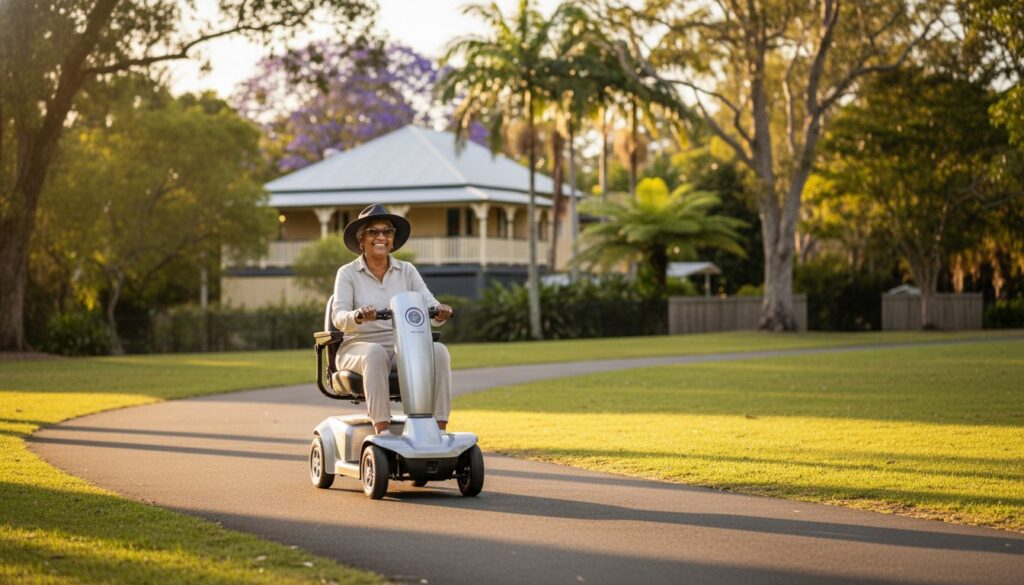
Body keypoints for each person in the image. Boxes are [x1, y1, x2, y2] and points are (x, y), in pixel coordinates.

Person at [331, 204, 454, 436]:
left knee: (439, 352)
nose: (381, 237)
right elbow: (338, 318)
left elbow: (428, 303)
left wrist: (439, 311)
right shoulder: (347, 273)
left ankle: (439, 431)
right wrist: (357, 316)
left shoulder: (407, 270)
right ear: (361, 239)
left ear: (392, 240)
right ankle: (382, 431)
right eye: (373, 232)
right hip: (357, 347)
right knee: (375, 353)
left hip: (402, 345)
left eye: (387, 232)